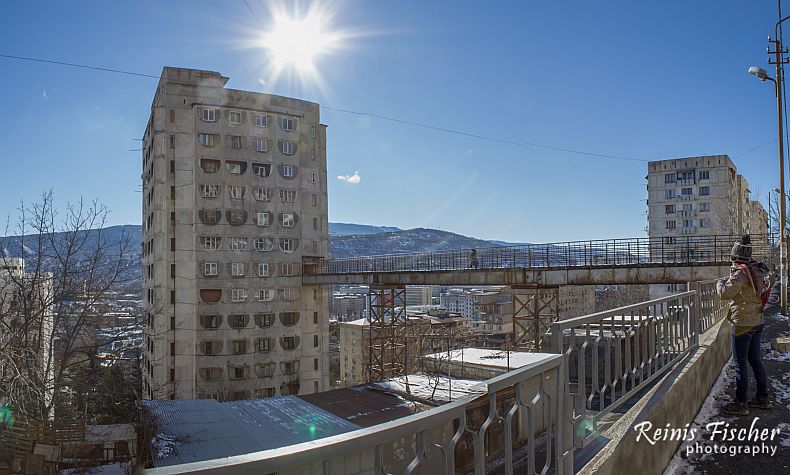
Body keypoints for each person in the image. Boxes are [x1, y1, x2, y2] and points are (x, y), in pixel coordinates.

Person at [716, 235, 771, 415]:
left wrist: (720, 282)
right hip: (758, 321)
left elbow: (725, 293)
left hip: (743, 324)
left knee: (740, 363)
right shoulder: (757, 270)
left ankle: (741, 404)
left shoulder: (741, 273)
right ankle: (763, 398)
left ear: (736, 255)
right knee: (755, 360)